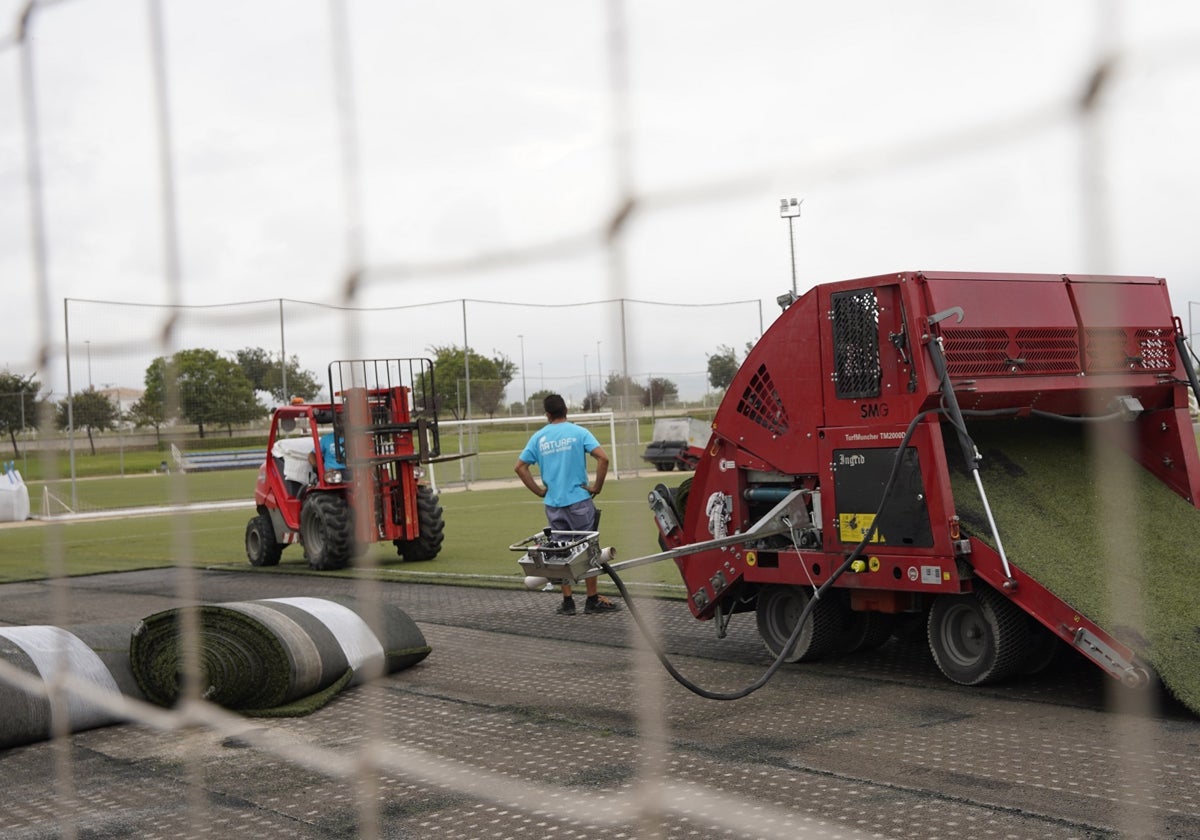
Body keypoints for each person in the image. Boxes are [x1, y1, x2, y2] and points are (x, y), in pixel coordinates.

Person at [515, 393, 617, 616]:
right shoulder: (578, 432)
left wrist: (539, 491)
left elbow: (520, 467)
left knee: (560, 551)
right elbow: (603, 458)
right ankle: (591, 600)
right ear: (566, 412)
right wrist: (597, 486)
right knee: (587, 548)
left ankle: (568, 601)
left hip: (553, 503)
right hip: (579, 500)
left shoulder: (539, 438)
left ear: (547, 414)